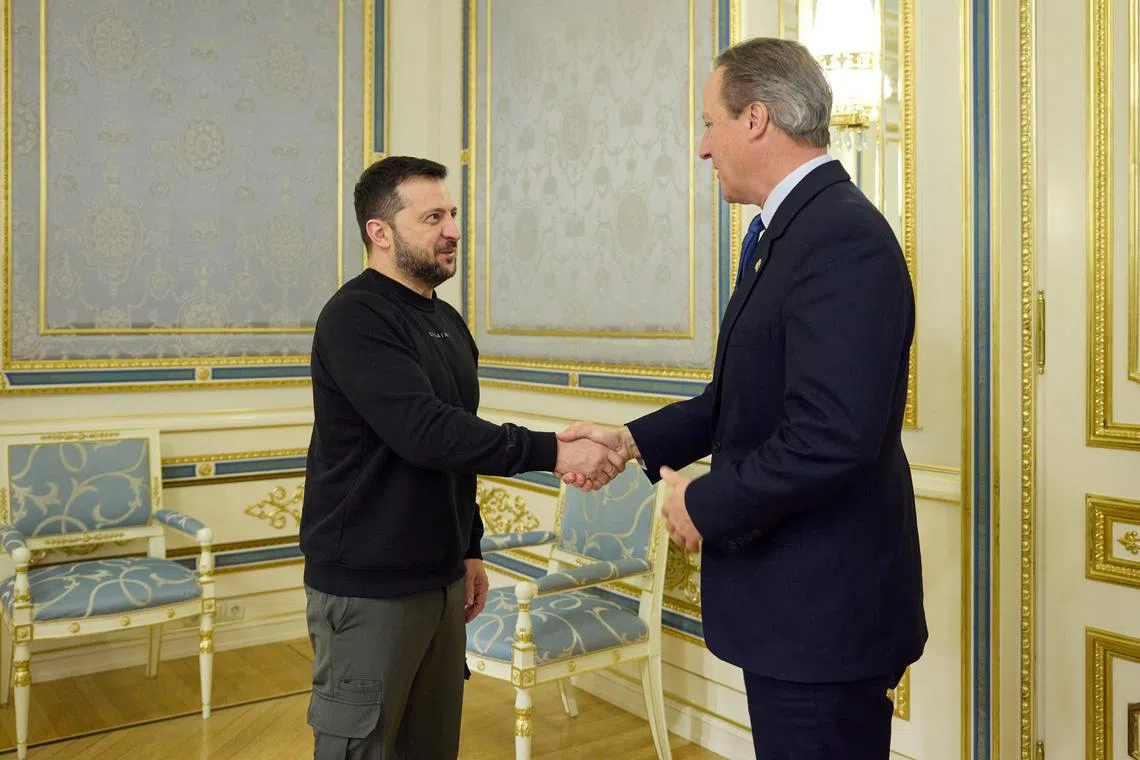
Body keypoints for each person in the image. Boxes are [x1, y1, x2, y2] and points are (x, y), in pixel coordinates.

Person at [558, 37, 927, 759]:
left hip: (823, 621)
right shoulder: (782, 234)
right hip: (794, 614)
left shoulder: (841, 238)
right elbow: (734, 400)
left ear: (755, 118)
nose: (702, 147)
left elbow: (831, 436)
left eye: (709, 122)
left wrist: (704, 503)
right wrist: (629, 441)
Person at [299, 155, 625, 760]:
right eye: (432, 217)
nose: (453, 229)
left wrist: (469, 547)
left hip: (441, 579)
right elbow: (424, 432)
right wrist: (553, 451)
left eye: (452, 213)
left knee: (431, 749)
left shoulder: (446, 320)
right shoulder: (355, 317)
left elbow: (456, 445)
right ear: (380, 231)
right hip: (369, 587)